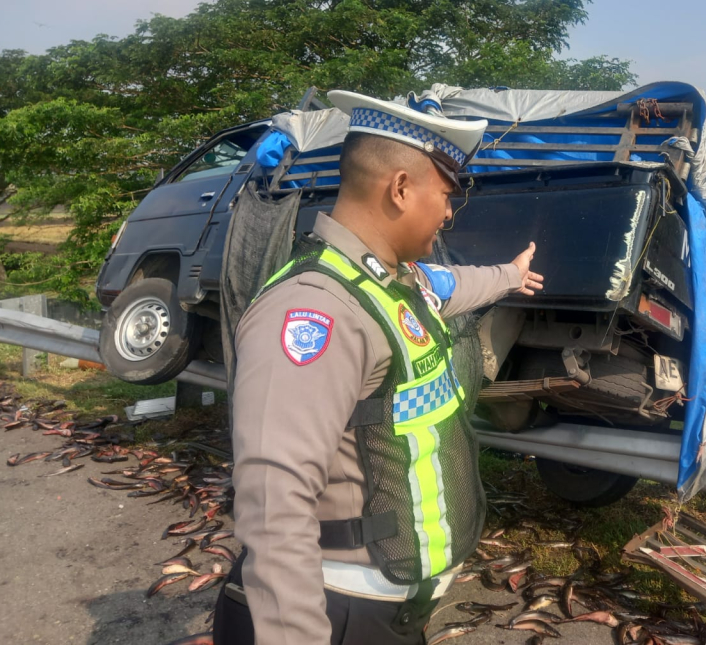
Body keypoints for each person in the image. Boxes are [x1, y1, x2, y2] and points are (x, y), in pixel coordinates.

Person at [213, 89, 544, 645]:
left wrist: (509, 276)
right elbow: (274, 503)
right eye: (445, 195)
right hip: (335, 614)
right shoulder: (315, 310)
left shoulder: (394, 283)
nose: (448, 213)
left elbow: (455, 287)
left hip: (388, 614)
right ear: (400, 188)